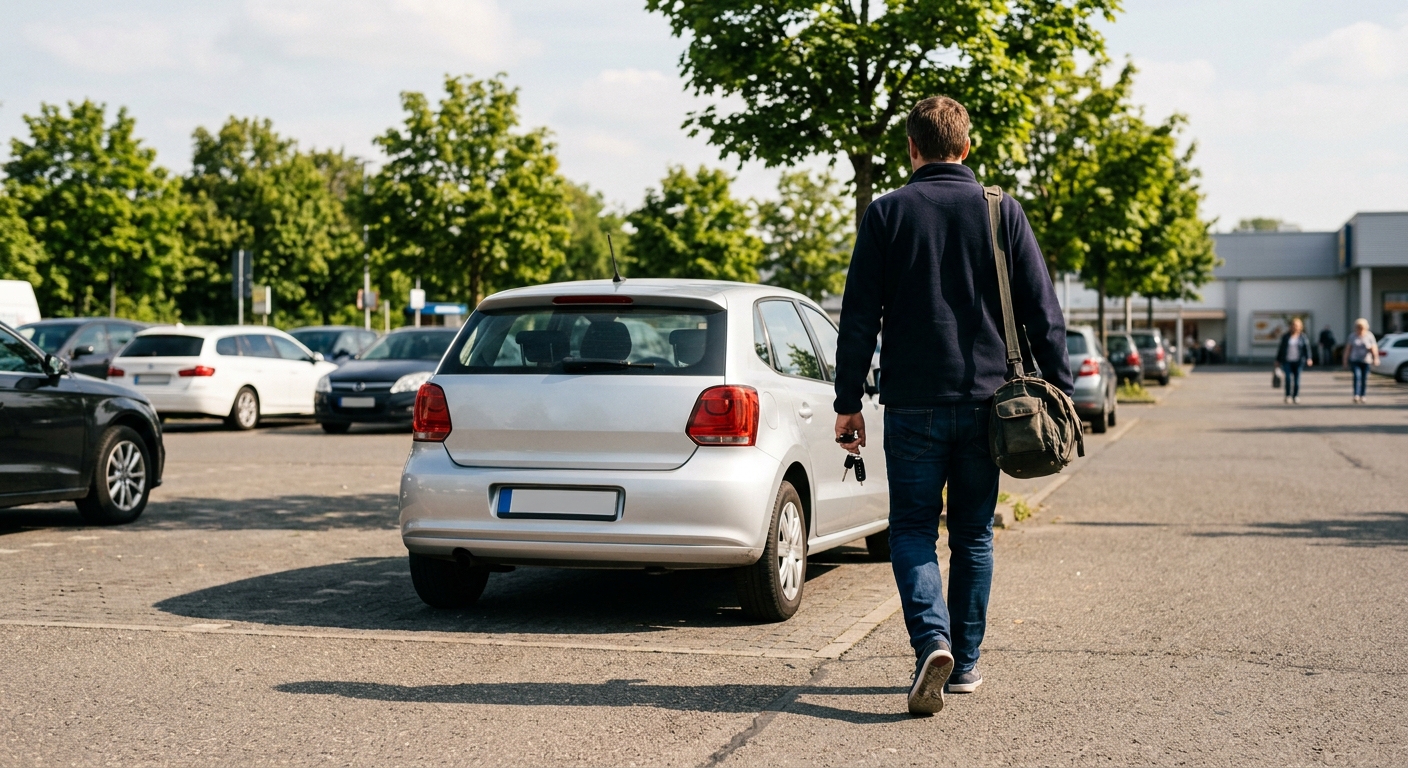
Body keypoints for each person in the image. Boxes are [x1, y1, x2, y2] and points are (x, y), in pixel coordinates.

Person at [831, 96, 1071, 716]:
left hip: (912, 404)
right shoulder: (1001, 211)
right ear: (967, 147)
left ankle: (929, 640)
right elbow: (1044, 311)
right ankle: (963, 664)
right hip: (992, 405)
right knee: (972, 534)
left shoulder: (886, 214)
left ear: (911, 149)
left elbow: (858, 316)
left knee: (911, 528)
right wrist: (1062, 391)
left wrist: (847, 399)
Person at [1275, 318, 1312, 404]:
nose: (1295, 327)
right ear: (1290, 326)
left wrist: (1309, 358)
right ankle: (1288, 395)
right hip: (1287, 361)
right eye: (1293, 325)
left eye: (1297, 326)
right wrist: (1277, 360)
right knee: (1288, 378)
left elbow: (1307, 349)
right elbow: (1281, 349)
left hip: (1298, 361)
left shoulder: (1303, 337)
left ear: (1300, 327)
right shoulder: (1286, 337)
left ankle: (1295, 396)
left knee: (1296, 380)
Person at [1345, 318, 1378, 404]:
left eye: (1361, 328)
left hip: (1366, 360)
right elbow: (1348, 349)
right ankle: (1356, 394)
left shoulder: (1369, 336)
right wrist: (1345, 359)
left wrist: (1375, 358)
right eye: (1358, 328)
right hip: (1355, 360)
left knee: (1364, 378)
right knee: (1357, 376)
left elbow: (1374, 348)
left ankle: (1363, 395)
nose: (1360, 330)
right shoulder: (1352, 336)